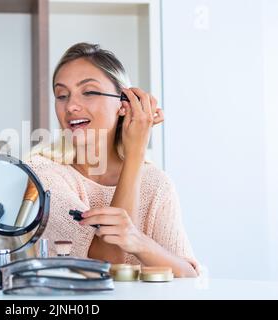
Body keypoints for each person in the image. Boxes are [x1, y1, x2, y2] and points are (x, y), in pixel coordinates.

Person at [26, 42, 198, 277]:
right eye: (62, 95)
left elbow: (188, 277)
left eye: (88, 92)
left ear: (123, 104)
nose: (71, 106)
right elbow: (106, 263)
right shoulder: (42, 174)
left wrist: (137, 241)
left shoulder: (156, 183)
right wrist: (135, 154)